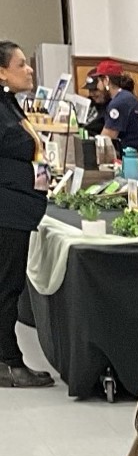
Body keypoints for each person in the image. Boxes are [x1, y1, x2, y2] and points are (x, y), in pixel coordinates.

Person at [0, 40, 51, 388]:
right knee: (7, 286)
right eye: (20, 64)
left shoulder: (10, 104)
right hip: (7, 209)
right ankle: (8, 362)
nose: (29, 68)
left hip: (17, 206)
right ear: (1, 71)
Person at [100, 71, 138, 156]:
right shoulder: (125, 96)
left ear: (106, 80)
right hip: (134, 152)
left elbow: (105, 139)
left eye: (98, 82)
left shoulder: (119, 103)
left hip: (129, 156)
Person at [81, 60, 114, 136]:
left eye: (95, 90)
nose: (92, 94)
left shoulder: (112, 106)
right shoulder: (90, 102)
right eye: (90, 90)